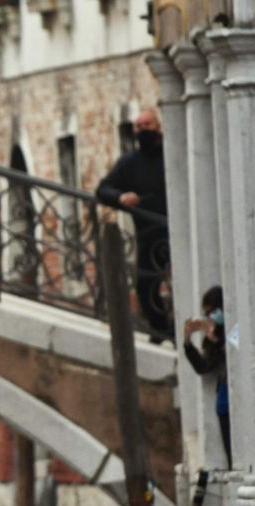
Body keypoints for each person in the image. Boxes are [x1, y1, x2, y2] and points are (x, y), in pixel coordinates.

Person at [96, 109, 171, 341]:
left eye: (147, 124)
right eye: (138, 127)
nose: (142, 130)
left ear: (158, 127)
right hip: (148, 234)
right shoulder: (131, 162)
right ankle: (160, 331)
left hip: (179, 230)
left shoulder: (172, 153)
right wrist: (121, 198)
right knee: (146, 285)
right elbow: (103, 190)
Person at [182, 285, 231, 469]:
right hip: (223, 403)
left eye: (214, 312)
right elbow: (203, 367)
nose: (211, 317)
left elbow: (236, 350)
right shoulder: (213, 338)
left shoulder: (233, 330)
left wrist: (219, 339)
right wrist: (188, 342)